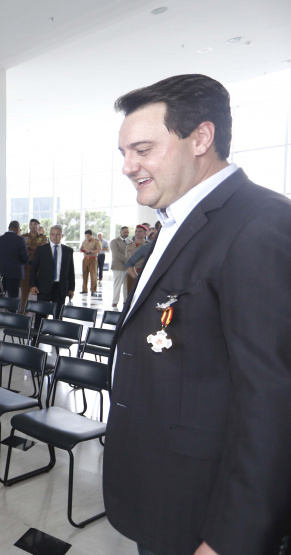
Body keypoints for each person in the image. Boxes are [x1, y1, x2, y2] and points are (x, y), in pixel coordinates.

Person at [105, 74, 291, 555]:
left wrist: (232, 538)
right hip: (164, 493)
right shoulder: (175, 222)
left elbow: (272, 401)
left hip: (207, 513)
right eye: (124, 152)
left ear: (201, 139)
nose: (128, 166)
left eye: (142, 149)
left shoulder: (260, 224)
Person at [29, 225, 74, 320]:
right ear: (49, 235)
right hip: (43, 287)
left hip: (60, 287)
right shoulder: (41, 249)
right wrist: (33, 285)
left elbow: (71, 271)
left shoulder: (68, 251)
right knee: (40, 314)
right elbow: (33, 269)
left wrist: (71, 288)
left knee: (58, 315)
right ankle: (37, 334)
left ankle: (55, 334)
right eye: (53, 234)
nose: (55, 237)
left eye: (58, 234)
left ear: (62, 235)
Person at [0, 220, 29, 298]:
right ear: (18, 229)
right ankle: (12, 311)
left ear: (9, 228)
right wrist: (28, 261)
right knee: (13, 297)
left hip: (0, 272)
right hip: (14, 273)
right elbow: (24, 257)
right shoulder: (20, 240)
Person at [21, 218, 47, 310]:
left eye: (35, 224)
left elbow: (43, 250)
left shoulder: (42, 238)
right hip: (26, 267)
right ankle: (22, 313)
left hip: (38, 268)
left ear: (38, 226)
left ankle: (40, 313)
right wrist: (35, 248)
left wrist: (30, 248)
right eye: (31, 224)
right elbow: (23, 250)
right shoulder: (23, 237)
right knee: (24, 293)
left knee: (40, 291)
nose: (33, 226)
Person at [110, 226, 131, 307]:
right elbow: (116, 254)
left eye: (127, 232)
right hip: (118, 266)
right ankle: (115, 301)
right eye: (125, 232)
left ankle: (126, 300)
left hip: (128, 267)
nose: (126, 234)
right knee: (117, 284)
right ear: (120, 232)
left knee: (127, 285)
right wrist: (128, 260)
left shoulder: (129, 241)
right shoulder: (114, 241)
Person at [124, 224, 147, 292]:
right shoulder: (129, 246)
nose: (137, 233)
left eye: (140, 231)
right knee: (130, 292)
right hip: (131, 273)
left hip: (142, 272)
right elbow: (127, 259)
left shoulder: (147, 245)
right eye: (136, 231)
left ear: (145, 233)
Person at [79, 230, 101, 295]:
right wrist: (82, 250)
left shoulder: (97, 242)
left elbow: (99, 250)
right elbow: (81, 248)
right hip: (85, 259)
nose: (87, 237)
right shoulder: (84, 241)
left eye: (88, 236)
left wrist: (90, 251)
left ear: (91, 235)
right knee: (84, 275)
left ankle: (93, 290)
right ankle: (84, 289)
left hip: (93, 260)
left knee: (93, 275)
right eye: (86, 236)